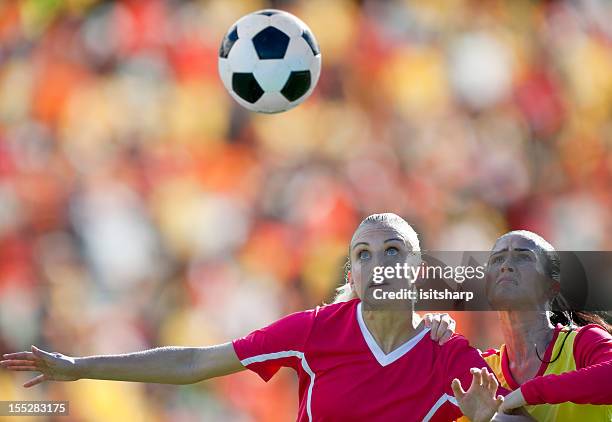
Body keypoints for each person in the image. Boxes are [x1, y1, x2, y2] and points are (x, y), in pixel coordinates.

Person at [2, 213, 507, 421]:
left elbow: (514, 414)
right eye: (363, 254)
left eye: (393, 249)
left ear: (418, 268)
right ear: (352, 273)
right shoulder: (316, 331)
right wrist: (78, 367)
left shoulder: (449, 354)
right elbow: (194, 362)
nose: (377, 263)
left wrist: (490, 420)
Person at [474, 230, 612, 420]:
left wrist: (528, 393)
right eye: (497, 260)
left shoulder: (584, 341)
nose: (506, 266)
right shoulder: (481, 368)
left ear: (551, 286)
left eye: (523, 257)